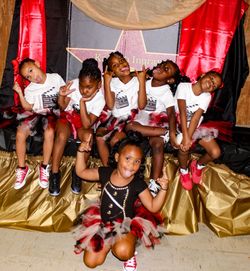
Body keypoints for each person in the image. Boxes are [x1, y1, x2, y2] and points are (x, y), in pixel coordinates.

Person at [73, 132, 168, 271]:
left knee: (123, 252)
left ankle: (129, 250)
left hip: (125, 226)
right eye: (128, 158)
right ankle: (110, 242)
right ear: (117, 157)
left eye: (137, 161)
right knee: (90, 262)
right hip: (104, 224)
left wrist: (164, 189)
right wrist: (81, 151)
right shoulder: (105, 173)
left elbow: (153, 207)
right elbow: (81, 172)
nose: (131, 165)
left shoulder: (138, 183)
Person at [49, 58, 105, 196]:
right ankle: (55, 173)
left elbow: (87, 124)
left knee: (88, 138)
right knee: (61, 135)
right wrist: (61, 96)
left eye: (89, 87)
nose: (84, 90)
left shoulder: (100, 99)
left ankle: (78, 172)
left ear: (99, 85)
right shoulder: (74, 85)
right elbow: (62, 107)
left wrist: (82, 102)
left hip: (84, 122)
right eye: (82, 86)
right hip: (67, 117)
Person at [126, 60, 183, 196]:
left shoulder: (166, 92)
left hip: (157, 122)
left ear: (169, 80)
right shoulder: (144, 81)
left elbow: (171, 113)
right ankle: (166, 133)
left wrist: (173, 129)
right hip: (142, 120)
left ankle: (154, 182)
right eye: (162, 65)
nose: (161, 68)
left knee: (158, 145)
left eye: (166, 69)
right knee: (130, 127)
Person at [12, 58, 65, 190]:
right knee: (20, 132)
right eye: (28, 77)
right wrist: (20, 93)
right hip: (36, 114)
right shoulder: (30, 89)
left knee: (49, 131)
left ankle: (45, 166)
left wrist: (62, 97)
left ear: (37, 64)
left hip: (52, 114)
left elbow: (64, 98)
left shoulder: (55, 78)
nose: (33, 77)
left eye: (31, 70)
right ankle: (22, 168)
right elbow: (28, 107)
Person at [96, 51, 147, 167]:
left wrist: (142, 81)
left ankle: (118, 173)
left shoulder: (138, 80)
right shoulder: (112, 83)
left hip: (131, 121)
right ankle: (107, 171)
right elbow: (109, 105)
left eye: (122, 61)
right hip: (115, 120)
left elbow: (142, 105)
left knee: (115, 140)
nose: (121, 65)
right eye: (115, 65)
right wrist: (107, 83)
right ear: (112, 72)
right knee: (99, 137)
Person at [175, 70, 223, 190]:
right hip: (178, 124)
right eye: (211, 79)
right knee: (183, 144)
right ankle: (183, 170)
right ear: (202, 75)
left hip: (196, 127)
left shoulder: (206, 97)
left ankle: (198, 165)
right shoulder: (184, 87)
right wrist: (186, 138)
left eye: (214, 86)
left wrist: (189, 137)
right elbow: (182, 113)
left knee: (216, 152)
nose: (211, 84)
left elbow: (196, 118)